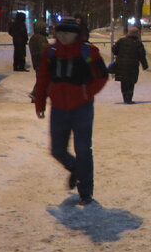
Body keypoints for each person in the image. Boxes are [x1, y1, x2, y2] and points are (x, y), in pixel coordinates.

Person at [33, 18, 109, 206]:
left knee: (83, 150)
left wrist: (86, 93)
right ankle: (77, 169)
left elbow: (101, 76)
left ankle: (86, 192)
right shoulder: (50, 52)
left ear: (76, 34)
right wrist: (40, 103)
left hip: (82, 109)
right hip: (59, 108)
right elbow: (43, 78)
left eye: (67, 33)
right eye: (60, 33)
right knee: (57, 150)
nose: (63, 36)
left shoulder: (88, 51)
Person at [111, 26, 149, 104]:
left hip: (121, 65)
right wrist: (144, 65)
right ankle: (129, 98)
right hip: (133, 66)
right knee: (130, 82)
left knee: (124, 82)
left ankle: (125, 97)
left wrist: (119, 54)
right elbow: (142, 55)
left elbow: (114, 50)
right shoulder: (138, 43)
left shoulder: (121, 41)